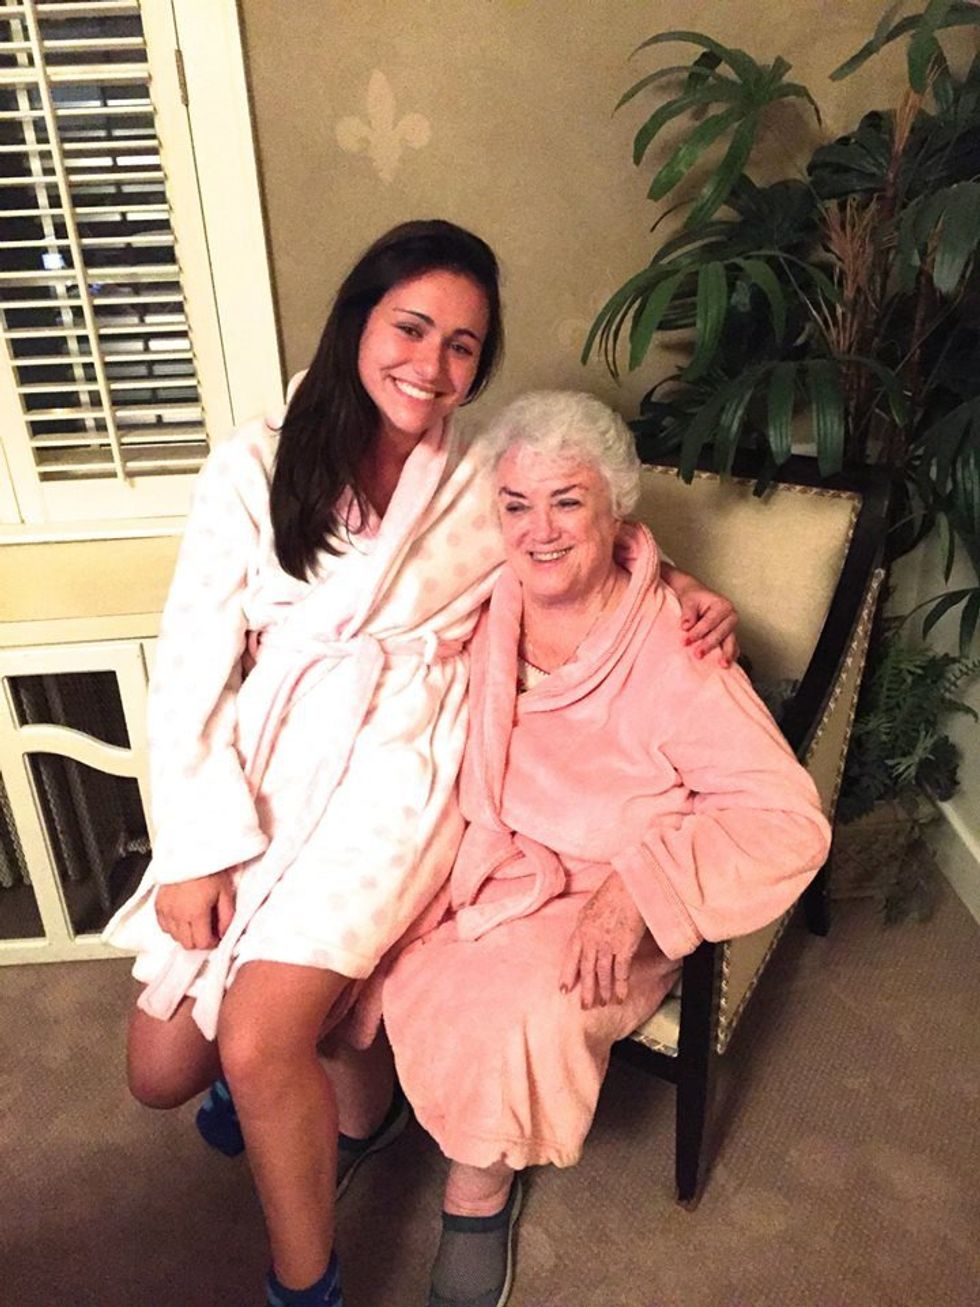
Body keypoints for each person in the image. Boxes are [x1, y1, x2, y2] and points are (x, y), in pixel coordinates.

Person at [103, 223, 737, 1307]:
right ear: (359, 319)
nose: (431, 364)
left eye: (462, 345)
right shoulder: (253, 463)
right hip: (273, 756)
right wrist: (197, 849)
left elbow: (576, 531)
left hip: (402, 773)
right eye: (411, 327)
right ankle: (314, 1084)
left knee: (257, 1042)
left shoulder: (481, 473)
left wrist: (676, 585)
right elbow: (194, 667)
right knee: (158, 1071)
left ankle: (305, 1284)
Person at [381, 390, 832, 1307]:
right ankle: (361, 1120)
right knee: (357, 931)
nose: (539, 529)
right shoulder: (488, 594)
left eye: (567, 501)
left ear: (615, 510)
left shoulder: (675, 647)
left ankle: (477, 1194)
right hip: (489, 852)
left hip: (605, 891)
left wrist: (635, 892)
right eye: (517, 504)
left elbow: (786, 817)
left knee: (513, 1014)